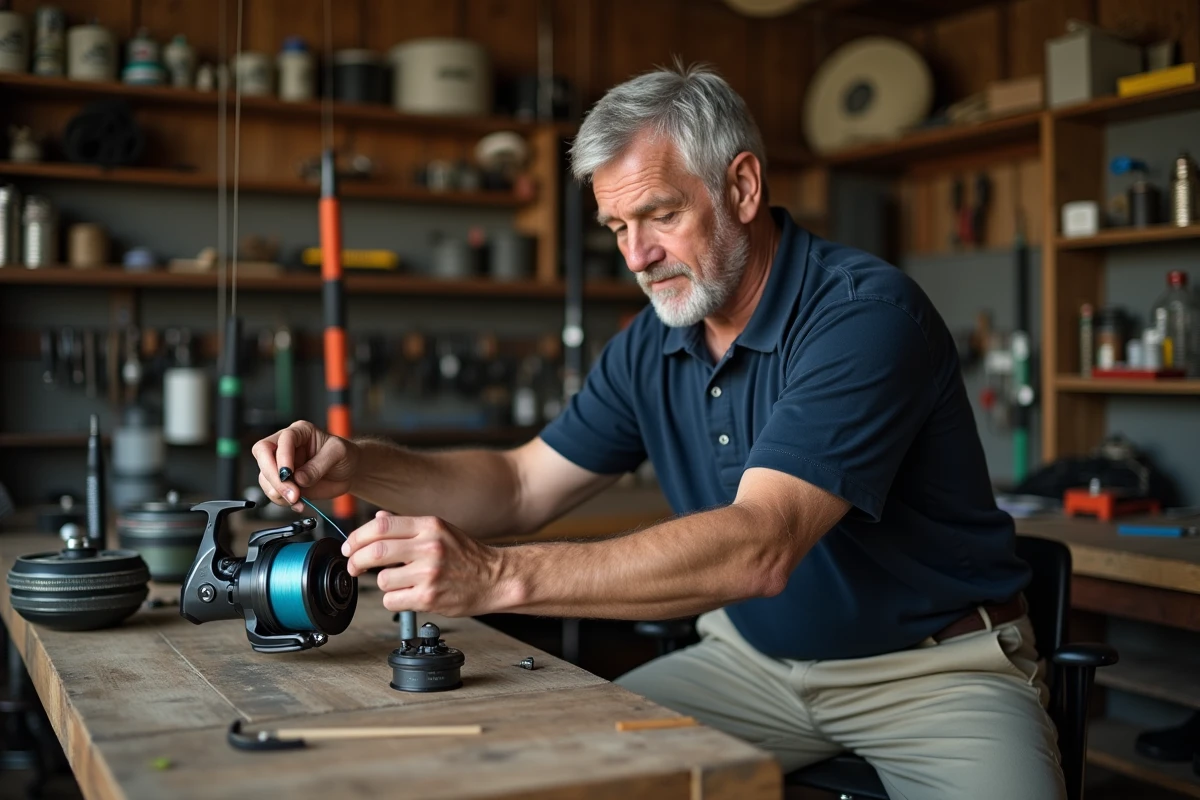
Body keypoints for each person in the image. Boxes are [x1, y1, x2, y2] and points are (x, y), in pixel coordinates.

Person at [251, 63, 1065, 799]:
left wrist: (497, 575)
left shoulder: (862, 317)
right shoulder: (654, 343)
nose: (636, 256)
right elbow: (521, 485)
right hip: (752, 664)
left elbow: (760, 545)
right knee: (552, 781)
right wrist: (356, 465)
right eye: (615, 228)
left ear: (742, 187)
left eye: (659, 215)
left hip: (932, 673)